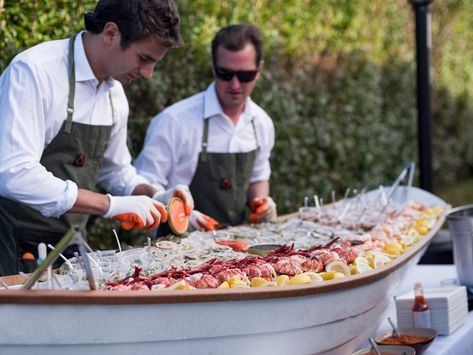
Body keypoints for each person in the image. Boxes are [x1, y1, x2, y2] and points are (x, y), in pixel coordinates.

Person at [0, 0, 194, 276]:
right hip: (9, 248)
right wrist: (109, 205)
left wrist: (154, 195)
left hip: (69, 252)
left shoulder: (114, 95)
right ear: (111, 33)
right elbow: (14, 173)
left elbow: (117, 172)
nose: (148, 74)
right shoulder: (35, 71)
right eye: (144, 59)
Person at [135, 24, 277, 232]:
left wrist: (262, 202)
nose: (235, 85)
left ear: (259, 70)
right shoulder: (174, 121)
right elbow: (141, 188)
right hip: (176, 250)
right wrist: (180, 215)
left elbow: (258, 178)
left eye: (245, 75)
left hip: (237, 251)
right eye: (225, 73)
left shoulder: (261, 123)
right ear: (213, 67)